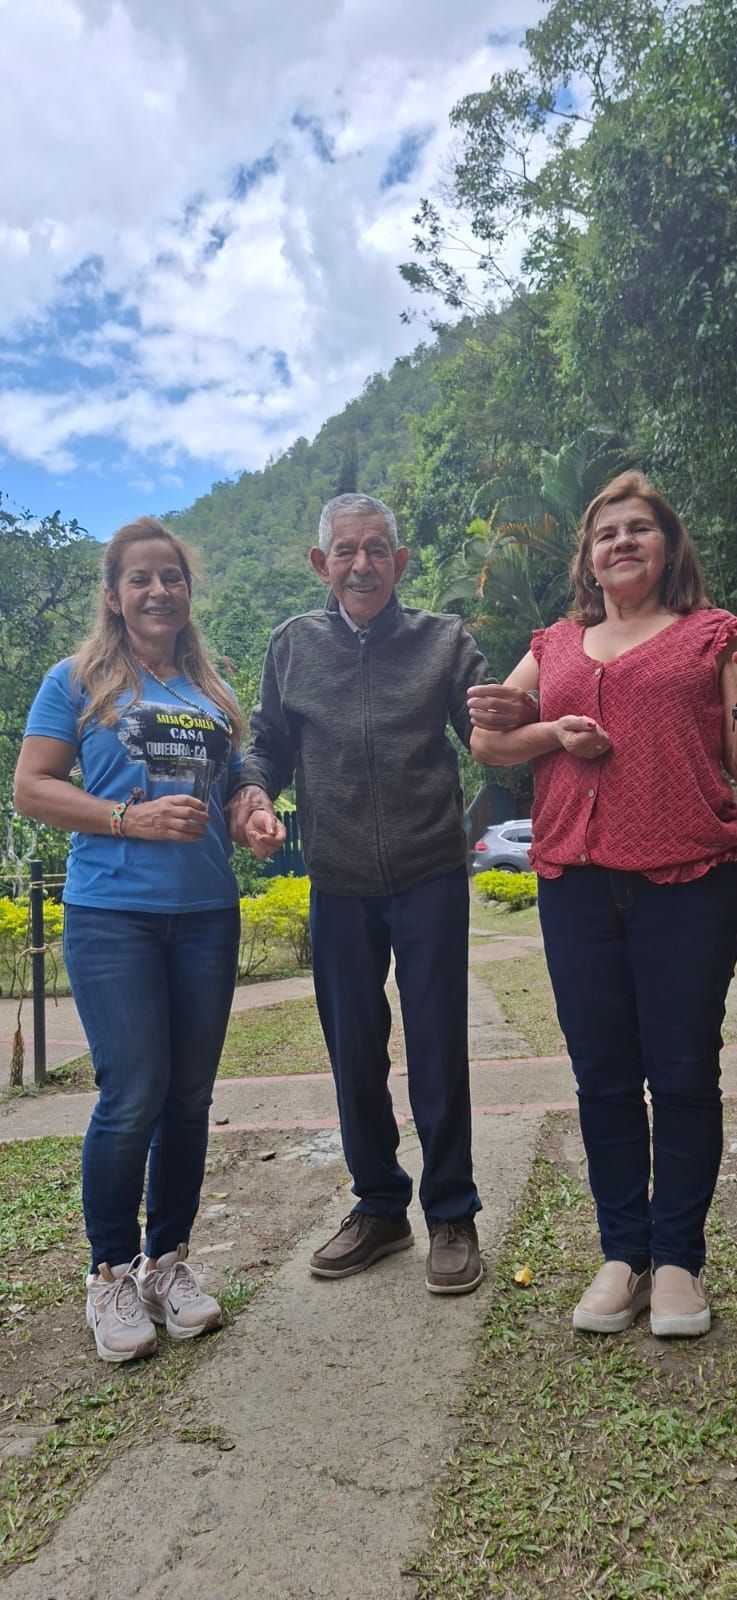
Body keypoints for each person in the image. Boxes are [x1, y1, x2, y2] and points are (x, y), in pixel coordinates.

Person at [228, 492, 536, 1294]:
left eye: (375, 551)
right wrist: (253, 795)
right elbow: (267, 746)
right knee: (353, 1050)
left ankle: (452, 1213)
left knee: (436, 1046)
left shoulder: (442, 640)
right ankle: (378, 1207)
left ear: (399, 563)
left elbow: (488, 731)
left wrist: (520, 710)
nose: (360, 565)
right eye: (345, 551)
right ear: (320, 563)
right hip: (336, 879)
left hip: (428, 871)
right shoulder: (291, 644)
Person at [468, 471, 737, 1337]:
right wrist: (547, 730)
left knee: (684, 1072)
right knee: (603, 1075)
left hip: (689, 880)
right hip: (574, 885)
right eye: (605, 532)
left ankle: (678, 1262)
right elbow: (488, 742)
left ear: (668, 547)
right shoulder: (553, 645)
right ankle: (623, 1255)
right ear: (587, 559)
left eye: (638, 528)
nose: (621, 541)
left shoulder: (712, 635)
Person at [14, 517, 246, 1363]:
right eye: (140, 578)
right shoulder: (75, 680)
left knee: (188, 1096)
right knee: (133, 1091)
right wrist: (127, 819)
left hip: (207, 914)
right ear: (114, 595)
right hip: (112, 915)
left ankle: (167, 1263)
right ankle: (109, 1271)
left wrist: (251, 810)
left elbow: (234, 786)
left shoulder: (213, 689)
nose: (158, 591)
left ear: (188, 591)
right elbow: (31, 787)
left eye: (171, 577)